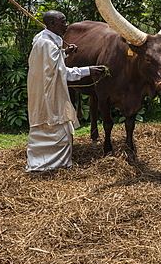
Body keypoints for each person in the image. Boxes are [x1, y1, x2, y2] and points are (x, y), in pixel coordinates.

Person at [26, 10, 104, 173]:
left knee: (45, 126)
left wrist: (63, 52)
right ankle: (57, 165)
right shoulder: (48, 44)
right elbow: (64, 73)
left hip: (40, 91)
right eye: (63, 21)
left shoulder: (41, 39)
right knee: (60, 129)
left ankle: (40, 162)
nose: (66, 25)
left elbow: (50, 64)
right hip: (52, 93)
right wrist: (88, 70)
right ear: (52, 24)